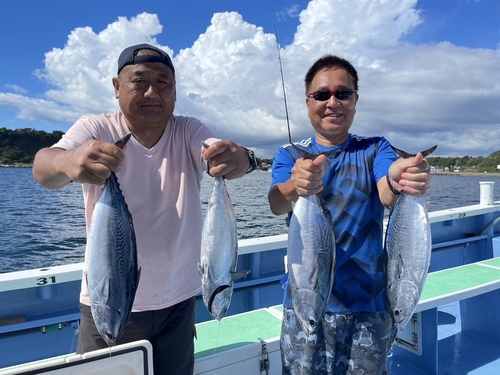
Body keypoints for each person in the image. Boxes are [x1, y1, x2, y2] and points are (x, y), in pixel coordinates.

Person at [33, 43, 257, 375]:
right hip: (109, 302)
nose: (152, 92)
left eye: (163, 83)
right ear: (116, 87)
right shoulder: (96, 129)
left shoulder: (187, 130)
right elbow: (43, 168)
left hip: (179, 304)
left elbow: (220, 153)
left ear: (176, 91)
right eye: (139, 81)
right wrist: (67, 161)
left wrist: (241, 159)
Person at [268, 54, 432, 375]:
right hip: (306, 301)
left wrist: (401, 177)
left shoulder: (375, 148)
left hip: (370, 306)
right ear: (307, 102)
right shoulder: (289, 154)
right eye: (322, 94)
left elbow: (386, 190)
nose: (333, 102)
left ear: (355, 100)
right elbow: (277, 202)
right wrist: (295, 186)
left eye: (343, 93)